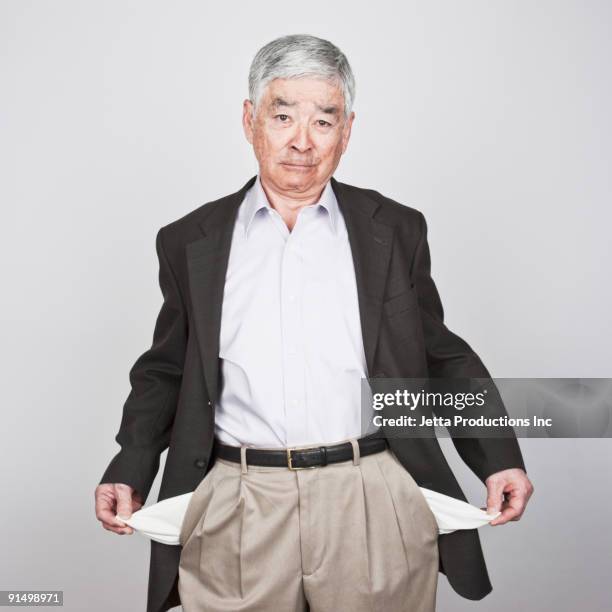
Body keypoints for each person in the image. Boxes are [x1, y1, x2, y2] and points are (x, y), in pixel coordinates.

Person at [95, 34, 534, 612]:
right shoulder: (189, 241)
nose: (302, 142)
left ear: (347, 131)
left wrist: (497, 453)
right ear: (250, 119)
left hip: (371, 492)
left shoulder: (394, 229)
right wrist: (130, 466)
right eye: (282, 116)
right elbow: (167, 370)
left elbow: (439, 354)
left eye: (323, 122)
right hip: (238, 498)